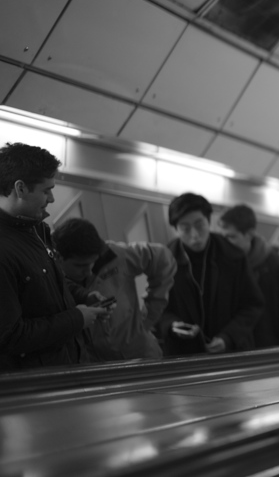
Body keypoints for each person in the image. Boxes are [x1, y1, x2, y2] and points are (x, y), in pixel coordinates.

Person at [0, 143, 110, 371]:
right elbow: (11, 336)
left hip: (66, 367)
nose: (51, 198)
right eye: (46, 190)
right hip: (33, 385)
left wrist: (83, 297)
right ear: (20, 189)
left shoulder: (37, 230)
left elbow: (49, 282)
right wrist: (77, 319)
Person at [52, 218, 176, 360]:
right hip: (94, 367)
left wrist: (149, 316)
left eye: (92, 263)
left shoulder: (114, 254)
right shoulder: (49, 278)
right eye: (80, 266)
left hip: (141, 354)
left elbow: (163, 257)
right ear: (58, 257)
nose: (88, 271)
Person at [158, 193, 264, 356]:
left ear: (209, 222)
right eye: (185, 228)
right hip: (184, 356)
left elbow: (252, 305)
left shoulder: (233, 256)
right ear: (176, 230)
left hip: (230, 353)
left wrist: (228, 337)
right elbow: (156, 307)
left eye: (199, 225)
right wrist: (171, 325)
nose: (194, 235)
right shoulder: (165, 261)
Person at [218, 204, 279, 348]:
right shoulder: (224, 265)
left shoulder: (275, 265)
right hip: (237, 351)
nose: (226, 244)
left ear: (250, 234)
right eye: (223, 237)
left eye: (232, 237)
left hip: (270, 350)